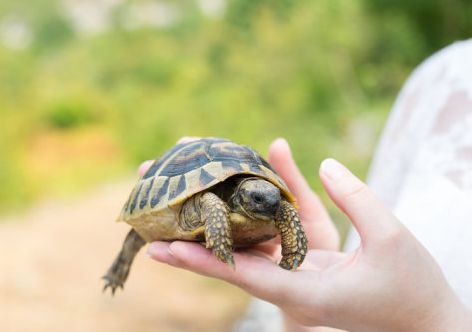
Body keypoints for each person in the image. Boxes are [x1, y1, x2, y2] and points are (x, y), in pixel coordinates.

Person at [144, 40, 472, 331]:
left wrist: (432, 318)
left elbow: (278, 206)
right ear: (242, 194)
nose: (272, 208)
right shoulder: (440, 75)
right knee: (213, 204)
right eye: (259, 201)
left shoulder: (274, 205)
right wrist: (303, 314)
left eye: (273, 202)